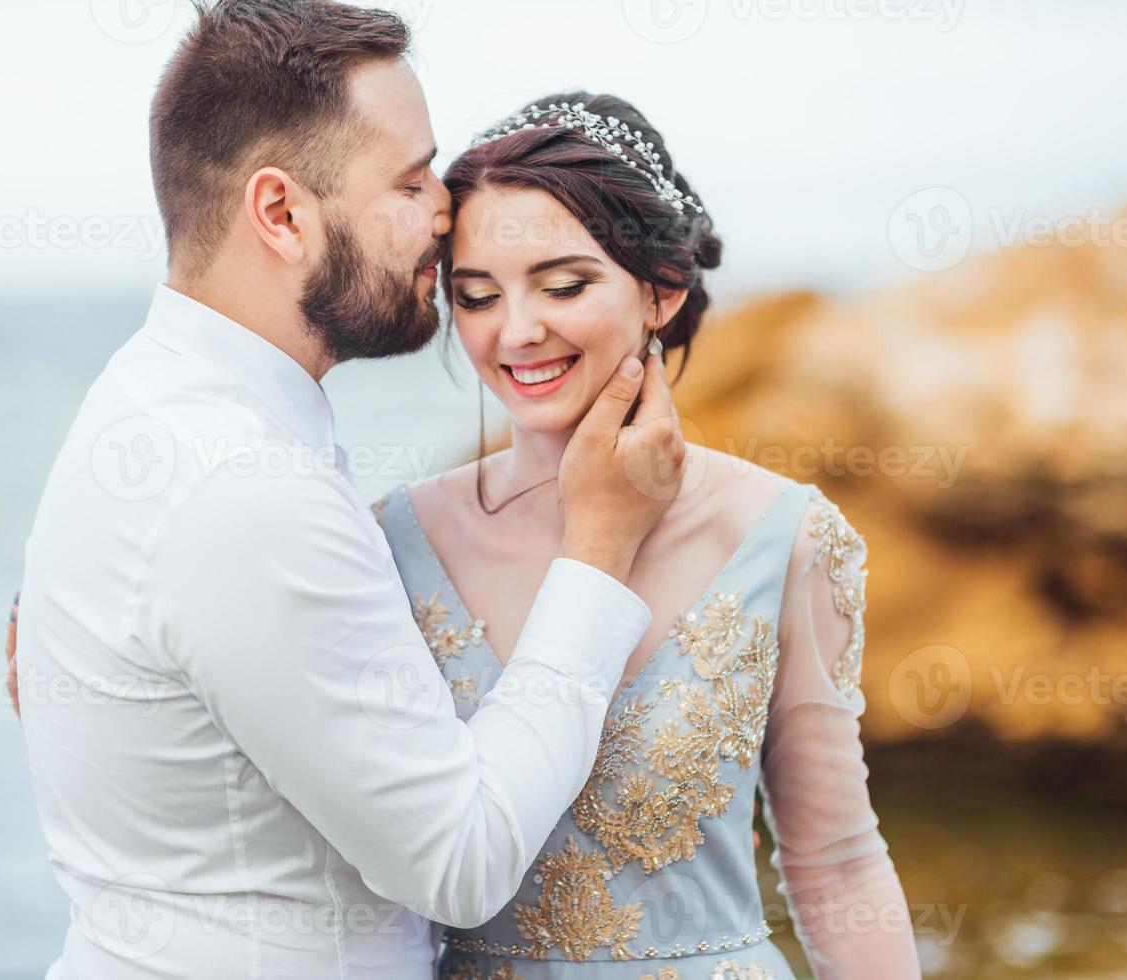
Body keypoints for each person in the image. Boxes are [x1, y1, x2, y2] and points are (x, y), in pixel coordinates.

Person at [9, 3, 686, 979]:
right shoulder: (240, 483)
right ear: (281, 213)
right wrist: (601, 544)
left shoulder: (154, 397)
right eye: (411, 183)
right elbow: (462, 857)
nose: (446, 216)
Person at [368, 93, 924, 978]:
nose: (517, 332)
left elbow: (836, 862)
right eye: (477, 296)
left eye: (564, 286)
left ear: (662, 290)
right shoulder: (395, 542)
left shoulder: (783, 538)